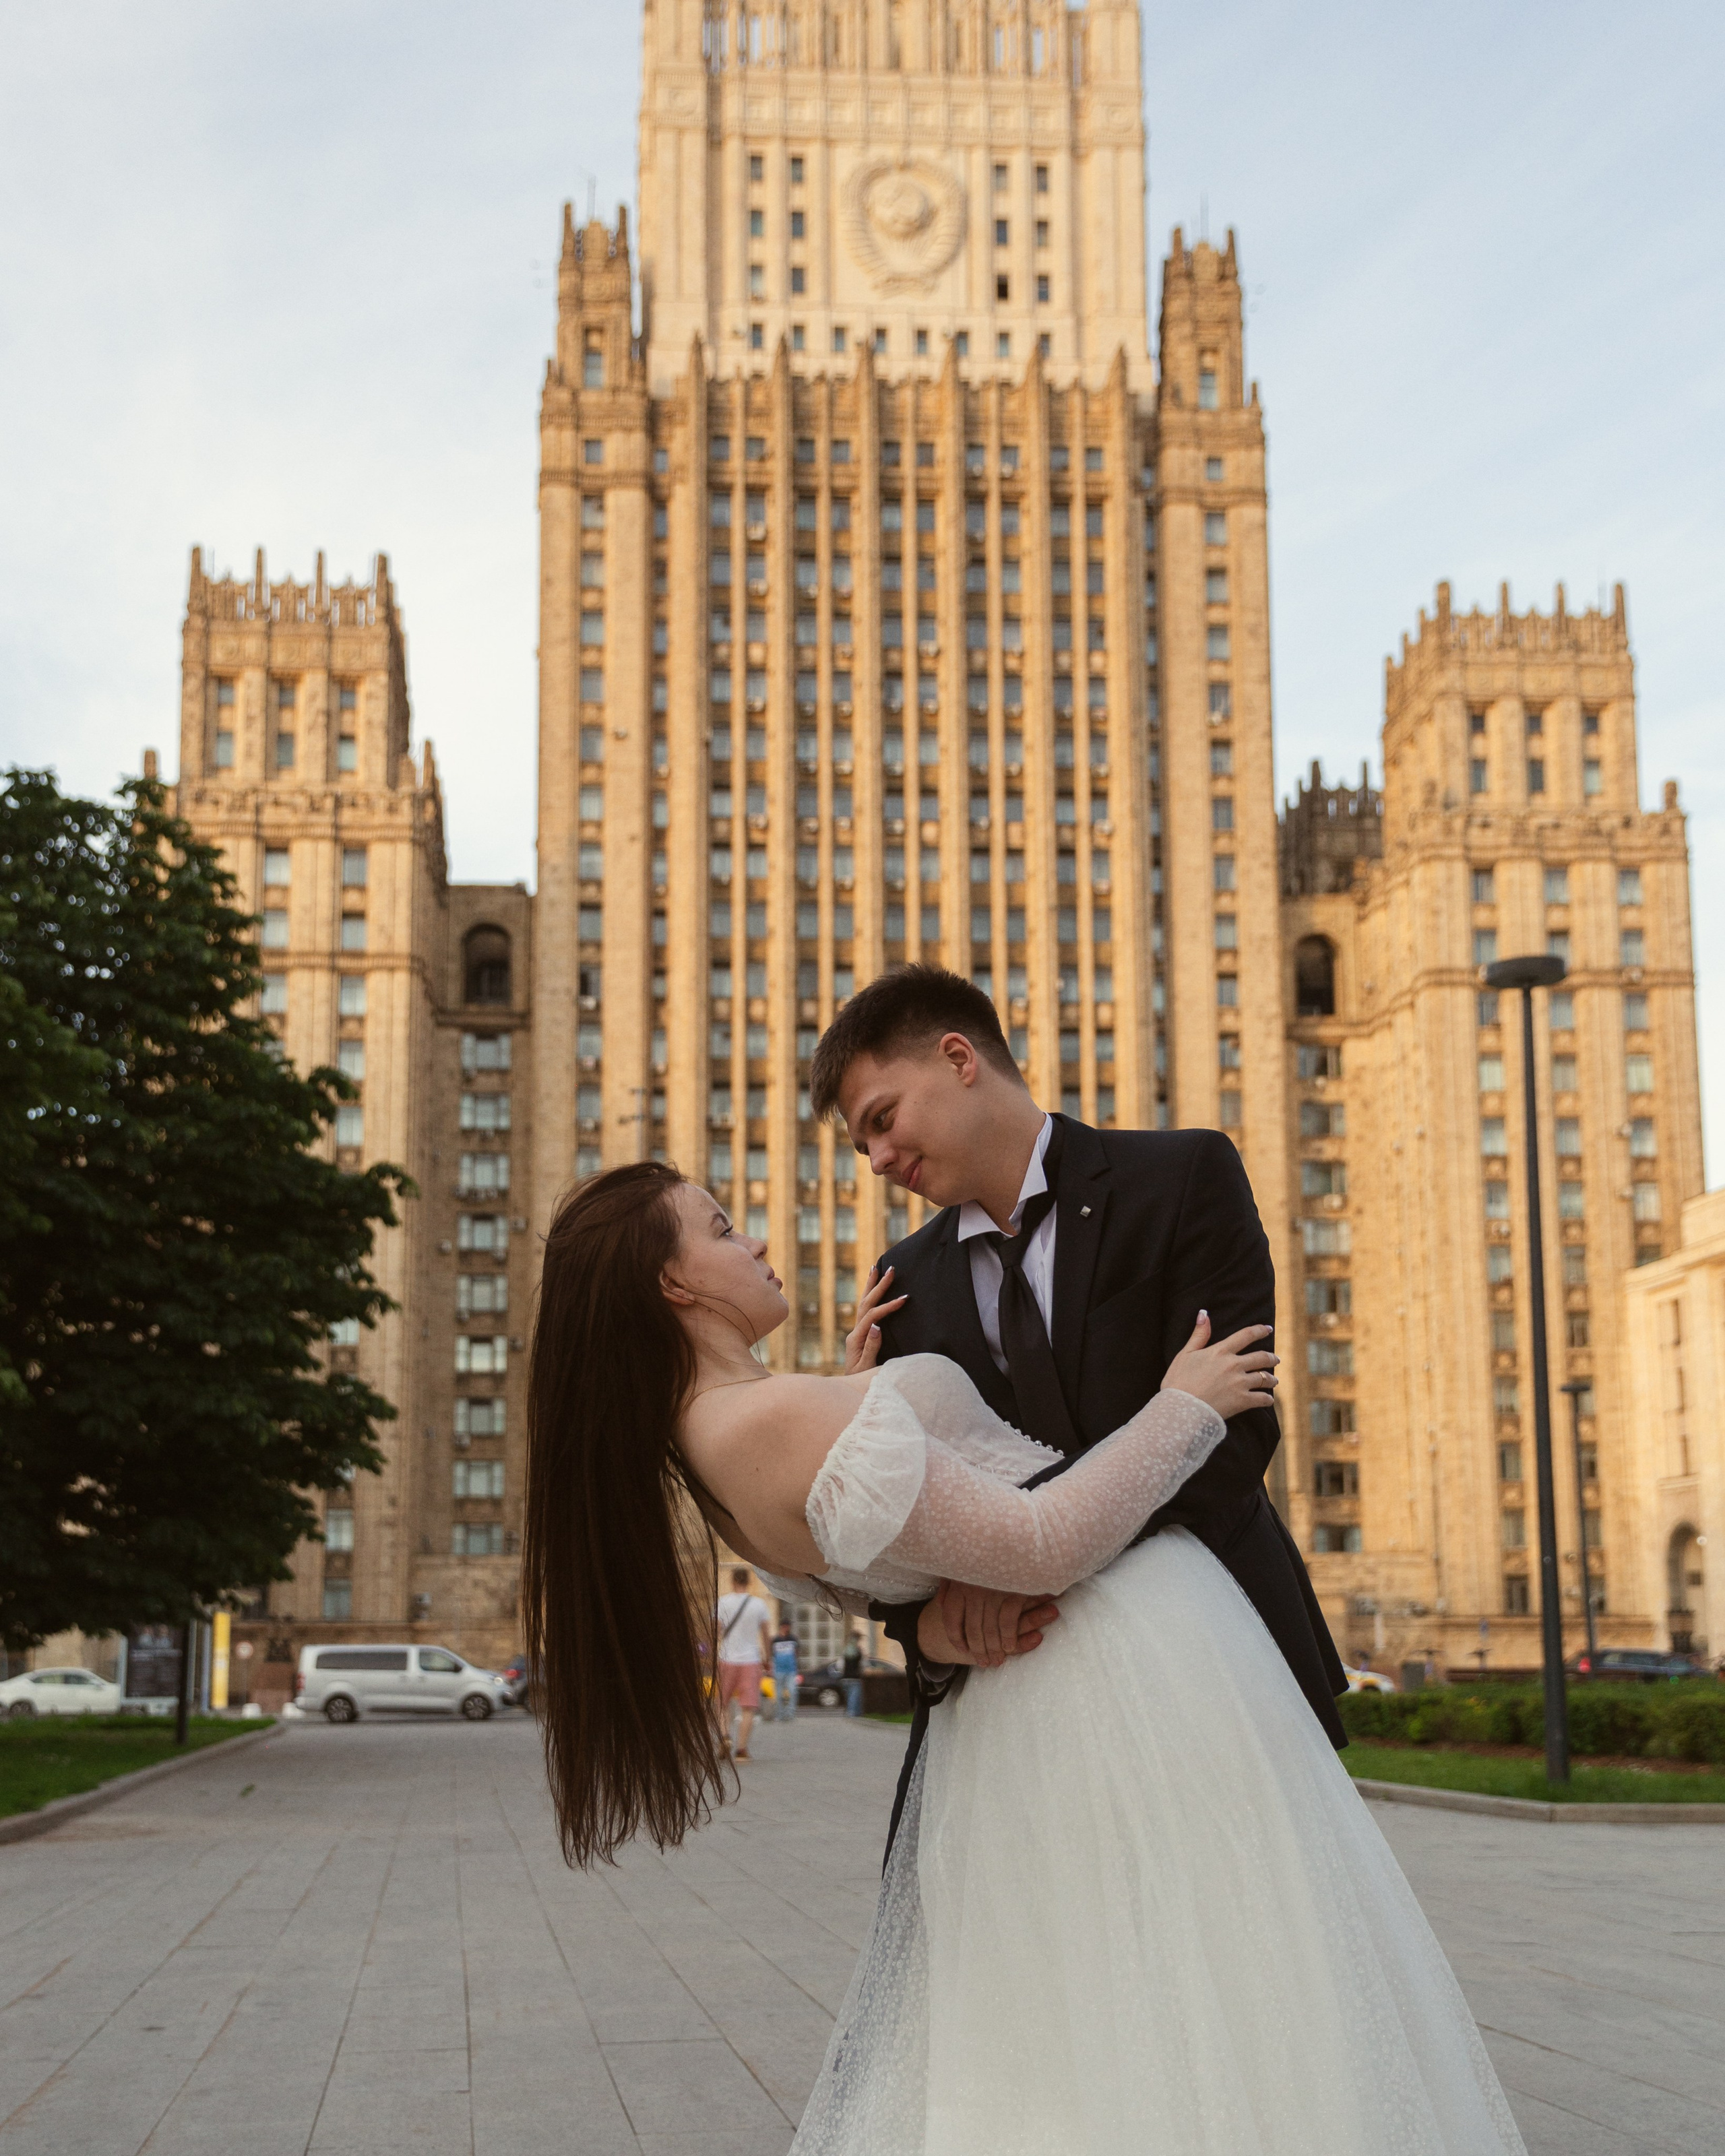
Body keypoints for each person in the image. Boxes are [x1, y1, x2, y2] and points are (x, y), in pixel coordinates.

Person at [522, 1158, 1526, 2154]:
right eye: (724, 1227)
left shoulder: (737, 1427)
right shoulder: (771, 1422)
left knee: (1087, 2032)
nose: (757, 1242)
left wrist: (918, 1596)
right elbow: (1044, 1543)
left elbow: (890, 1573)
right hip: (1108, 1673)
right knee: (1214, 2001)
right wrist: (1187, 1403)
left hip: (1023, 1716)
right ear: (674, 1283)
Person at [811, 964, 1349, 1857]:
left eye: (882, 1120)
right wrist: (852, 1413)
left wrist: (1021, 1556)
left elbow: (1235, 1430)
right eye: (862, 1145)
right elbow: (900, 1522)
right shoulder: (901, 1283)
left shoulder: (1183, 1176)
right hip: (1023, 1701)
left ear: (957, 1058)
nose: (877, 1162)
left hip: (1214, 1658)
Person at [713, 1566, 772, 1761]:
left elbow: (716, 1631)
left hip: (727, 1658)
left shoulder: (722, 1602)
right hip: (751, 1660)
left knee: (722, 1703)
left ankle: (725, 1737)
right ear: (749, 1582)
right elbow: (765, 1635)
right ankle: (742, 1750)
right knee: (748, 1707)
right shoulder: (759, 1605)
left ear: (732, 1581)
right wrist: (768, 1659)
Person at [771, 1617, 801, 1721]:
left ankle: (790, 1714)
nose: (787, 1628)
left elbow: (797, 1653)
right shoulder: (776, 1640)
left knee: (792, 1692)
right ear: (781, 1627)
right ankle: (779, 1714)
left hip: (791, 1671)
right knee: (778, 1694)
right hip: (779, 1671)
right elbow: (772, 1655)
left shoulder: (793, 1639)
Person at [842, 1631, 865, 1717]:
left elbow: (841, 1665)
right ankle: (852, 1712)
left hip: (846, 1677)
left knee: (849, 1696)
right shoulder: (857, 1650)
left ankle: (851, 1711)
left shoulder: (846, 1649)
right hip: (855, 1677)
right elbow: (862, 1663)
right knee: (855, 1696)